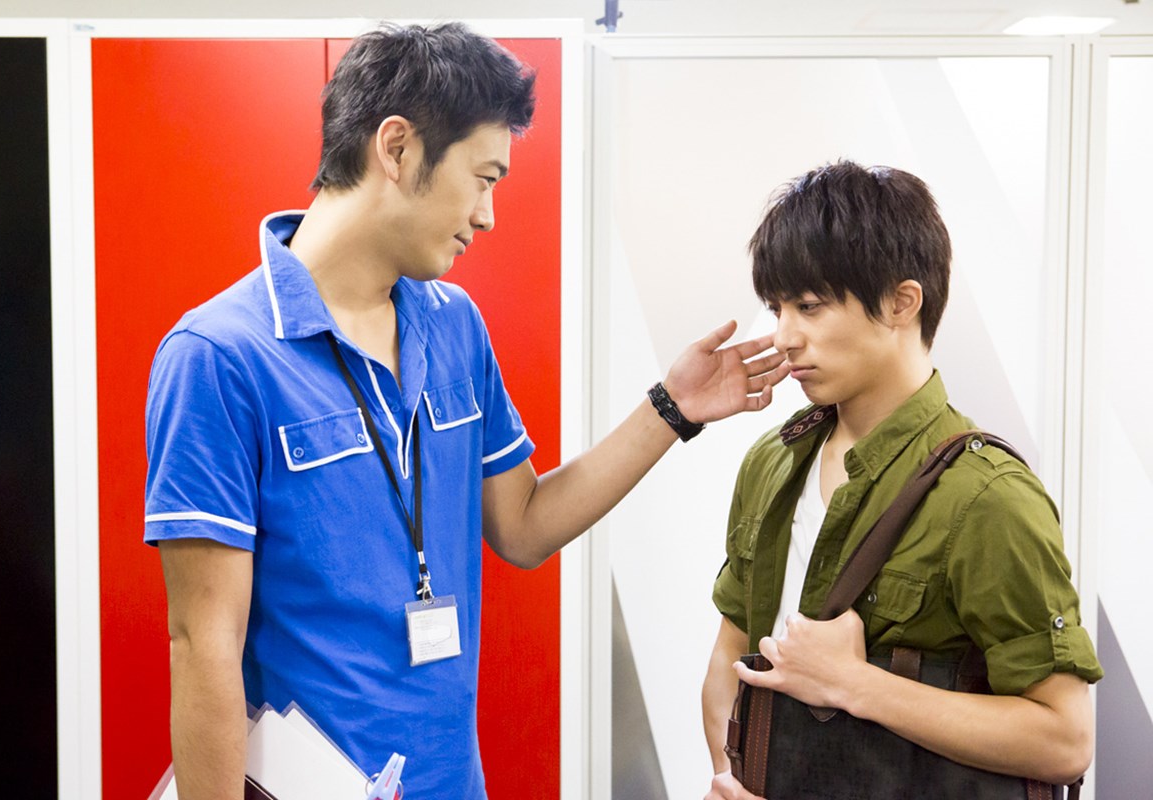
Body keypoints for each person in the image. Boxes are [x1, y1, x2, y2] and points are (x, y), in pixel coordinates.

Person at [143, 22, 789, 800]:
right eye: (483, 178)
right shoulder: (218, 357)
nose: (487, 215)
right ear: (397, 148)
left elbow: (523, 525)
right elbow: (203, 645)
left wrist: (672, 409)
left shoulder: (454, 326)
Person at [701, 161, 1103, 800]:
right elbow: (732, 657)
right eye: (777, 308)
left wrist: (854, 684)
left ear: (902, 301)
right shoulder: (771, 462)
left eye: (809, 306)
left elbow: (1064, 740)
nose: (784, 336)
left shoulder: (986, 496)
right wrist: (731, 779)